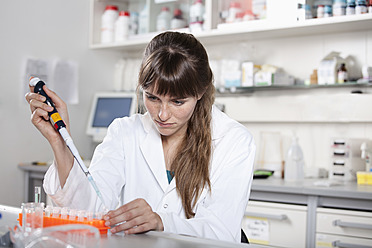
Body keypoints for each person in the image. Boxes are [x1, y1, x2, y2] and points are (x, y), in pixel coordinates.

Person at [25, 31, 256, 242]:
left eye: (177, 101)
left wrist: (161, 221)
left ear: (200, 92)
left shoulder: (233, 140)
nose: (163, 115)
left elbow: (222, 231)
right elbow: (89, 208)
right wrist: (59, 142)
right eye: (153, 98)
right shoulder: (125, 132)